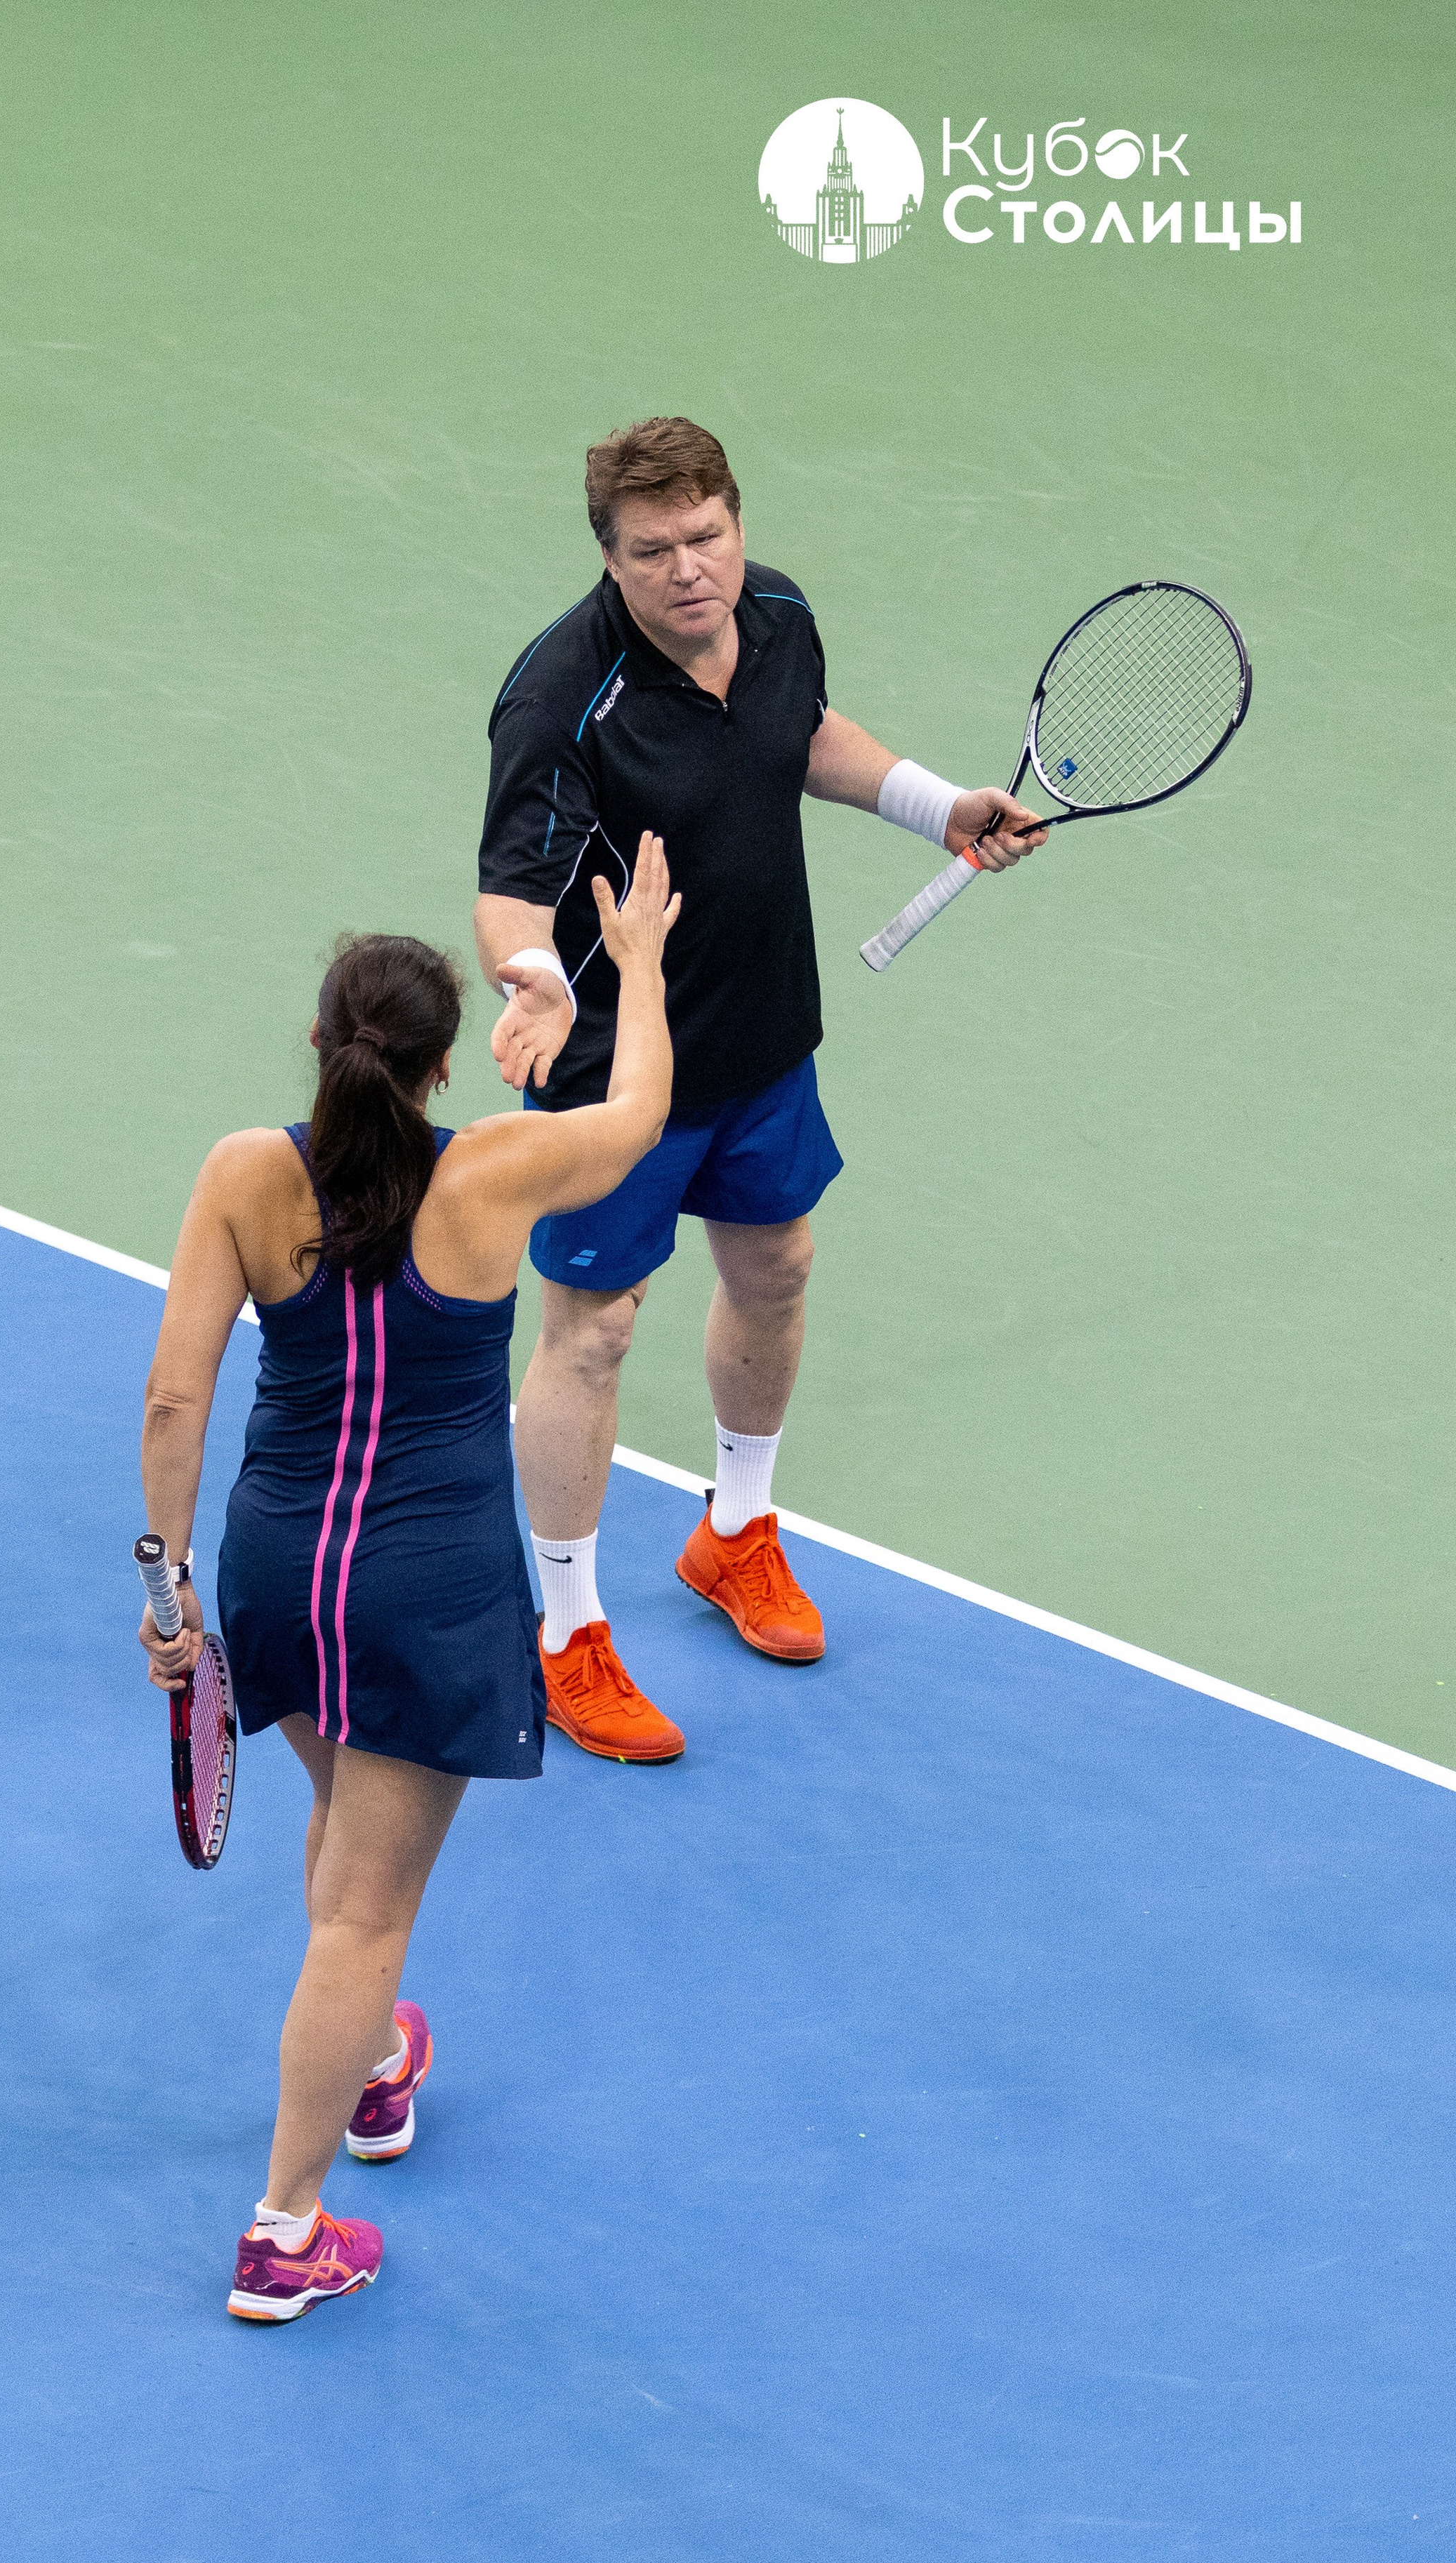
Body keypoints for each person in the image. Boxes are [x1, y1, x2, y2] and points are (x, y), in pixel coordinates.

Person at [137, 835, 679, 2322]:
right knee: (362, 1916)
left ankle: (372, 2070)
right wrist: (628, 968)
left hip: (271, 1569)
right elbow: (639, 1112)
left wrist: (167, 1592)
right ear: (444, 1068)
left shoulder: (246, 1175)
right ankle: (282, 2227)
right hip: (421, 1584)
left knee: (338, 1814)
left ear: (319, 1047)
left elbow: (175, 1401)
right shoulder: (499, 1171)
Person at [475, 416, 1046, 1764]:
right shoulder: (562, 697)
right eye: (655, 551)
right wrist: (532, 977)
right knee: (595, 1331)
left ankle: (737, 1531)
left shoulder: (776, 613)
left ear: (739, 520)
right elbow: (511, 883)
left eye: (709, 537)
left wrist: (932, 805)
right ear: (609, 557)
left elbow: (802, 736)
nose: (692, 572)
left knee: (777, 1266)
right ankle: (564, 1633)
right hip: (623, 1071)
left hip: (765, 1032)